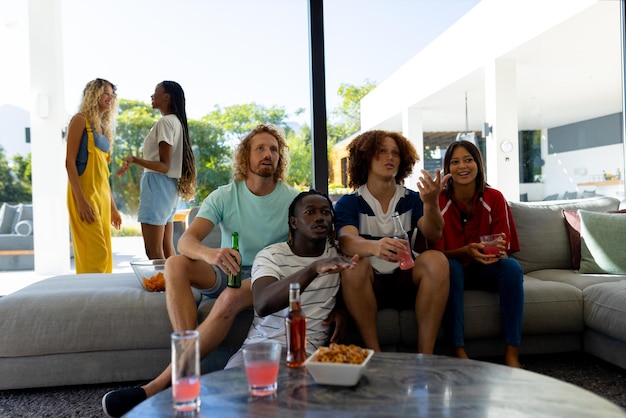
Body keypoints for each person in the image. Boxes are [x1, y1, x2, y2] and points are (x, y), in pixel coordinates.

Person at [102, 124, 298, 417]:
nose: (268, 154)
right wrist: (213, 254)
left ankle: (156, 387)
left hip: (264, 277)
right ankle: (188, 362)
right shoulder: (225, 195)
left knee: (232, 294)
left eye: (274, 149)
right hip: (226, 269)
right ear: (246, 156)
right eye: (260, 148)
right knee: (175, 263)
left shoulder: (292, 200)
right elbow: (188, 242)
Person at [334, 129, 451, 354]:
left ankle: (425, 357)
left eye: (395, 153)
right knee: (353, 265)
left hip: (406, 278)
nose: (390, 157)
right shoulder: (350, 202)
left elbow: (434, 233)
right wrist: (375, 247)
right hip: (370, 284)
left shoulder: (411, 198)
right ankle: (375, 354)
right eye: (382, 151)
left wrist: (431, 204)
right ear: (366, 157)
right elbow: (346, 241)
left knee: (437, 261)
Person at [224, 190, 358, 368]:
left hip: (306, 355)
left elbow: (356, 287)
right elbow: (262, 303)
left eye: (326, 212)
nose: (320, 217)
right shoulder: (271, 255)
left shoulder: (337, 256)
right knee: (231, 389)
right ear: (294, 222)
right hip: (260, 347)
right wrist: (313, 269)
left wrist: (341, 308)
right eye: (310, 212)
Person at [434, 140, 524, 368]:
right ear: (448, 168)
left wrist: (491, 251)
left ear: (478, 163)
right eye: (455, 162)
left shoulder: (494, 197)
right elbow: (435, 254)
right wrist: (464, 252)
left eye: (468, 160)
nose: (462, 166)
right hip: (454, 268)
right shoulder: (439, 200)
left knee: (512, 268)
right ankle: (458, 349)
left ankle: (511, 352)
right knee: (450, 267)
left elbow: (502, 245)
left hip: (486, 267)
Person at [115, 81, 196, 260]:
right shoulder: (176, 122)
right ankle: (172, 285)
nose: (152, 96)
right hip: (168, 188)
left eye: (156, 92)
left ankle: (160, 286)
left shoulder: (166, 123)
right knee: (167, 249)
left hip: (157, 184)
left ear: (166, 97)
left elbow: (163, 166)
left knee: (153, 251)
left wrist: (135, 159)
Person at [65, 78, 122, 274]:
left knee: (105, 258)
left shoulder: (104, 131)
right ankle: (87, 300)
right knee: (97, 254)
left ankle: (101, 303)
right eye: (106, 93)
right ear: (94, 95)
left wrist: (113, 209)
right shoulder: (79, 120)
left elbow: (104, 177)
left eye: (112, 94)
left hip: (102, 199)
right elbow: (69, 162)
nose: (110, 98)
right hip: (84, 195)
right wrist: (80, 201)